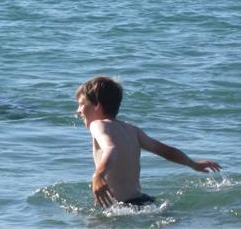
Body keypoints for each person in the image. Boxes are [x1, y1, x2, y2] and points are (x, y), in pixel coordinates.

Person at [75, 76, 221, 208]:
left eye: (82, 104)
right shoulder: (132, 129)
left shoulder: (98, 125)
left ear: (97, 106)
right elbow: (165, 150)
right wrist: (193, 164)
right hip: (144, 202)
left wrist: (98, 175)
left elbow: (111, 148)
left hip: (121, 208)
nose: (78, 111)